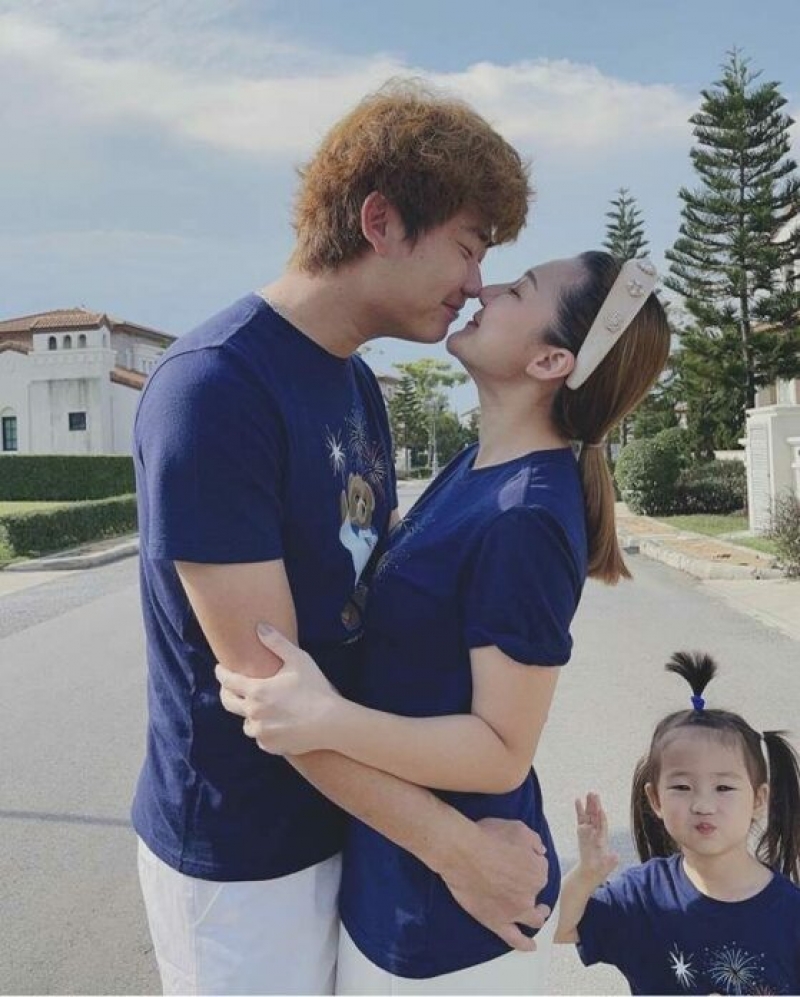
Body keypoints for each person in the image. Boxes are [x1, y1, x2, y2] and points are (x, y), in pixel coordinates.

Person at [130, 79, 551, 997]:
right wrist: (458, 850)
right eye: (469, 247)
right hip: (244, 858)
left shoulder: (355, 383)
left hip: (358, 830)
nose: (476, 285)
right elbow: (274, 699)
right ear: (381, 220)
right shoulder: (216, 389)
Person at [217, 251, 672, 993]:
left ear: (550, 360)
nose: (486, 289)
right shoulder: (477, 467)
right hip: (401, 878)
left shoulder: (527, 516)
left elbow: (501, 751)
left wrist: (327, 718)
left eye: (521, 289)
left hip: (447, 925)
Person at [554, 651, 800, 995]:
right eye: (682, 787)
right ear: (655, 799)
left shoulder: (790, 914)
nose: (702, 805)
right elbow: (558, 928)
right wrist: (586, 874)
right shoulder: (640, 896)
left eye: (724, 788)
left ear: (759, 800)